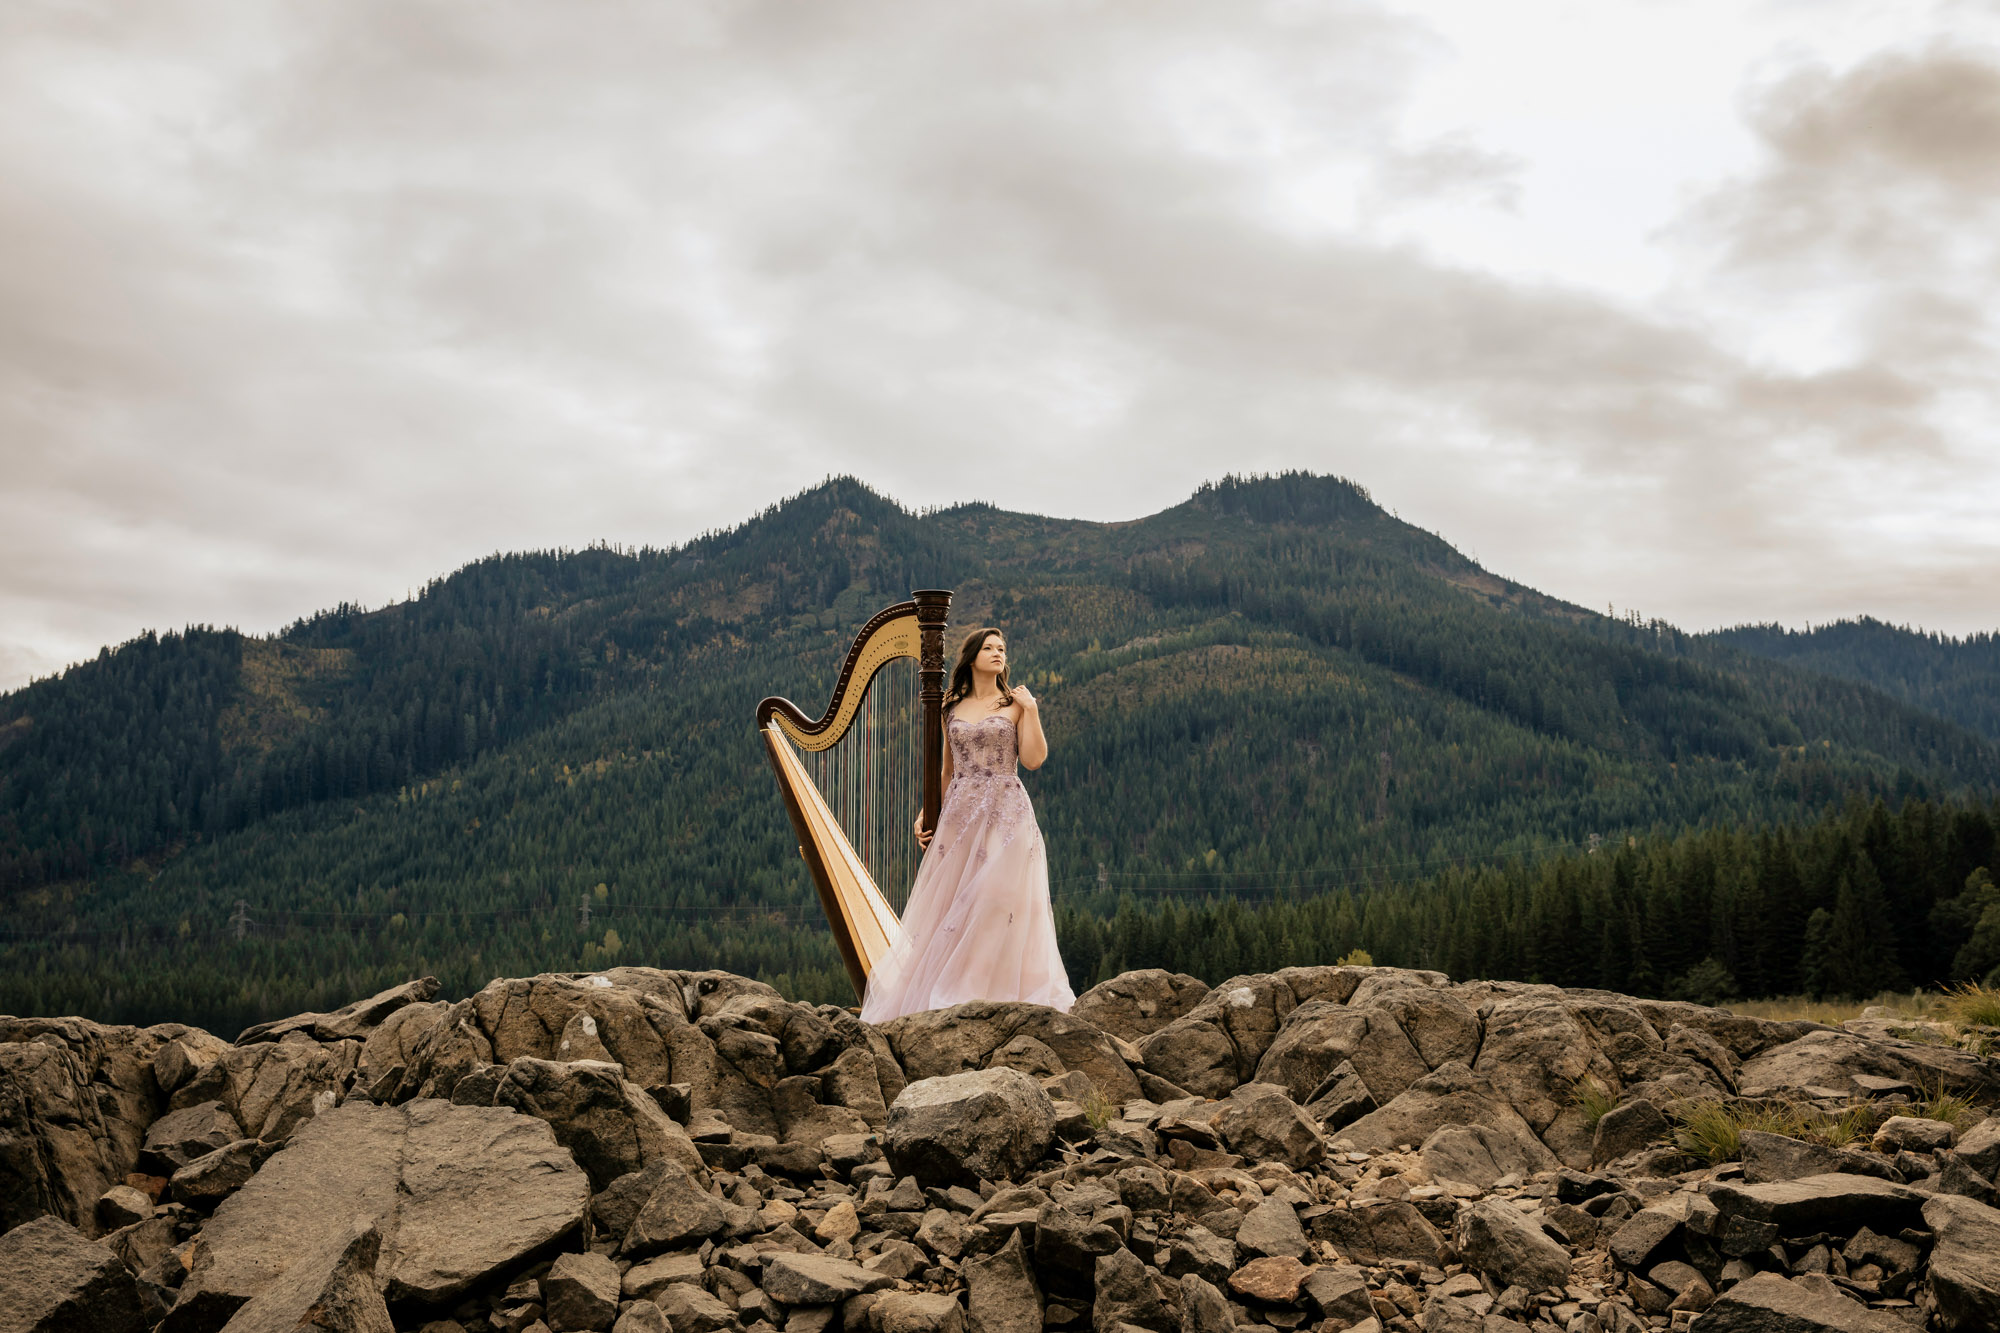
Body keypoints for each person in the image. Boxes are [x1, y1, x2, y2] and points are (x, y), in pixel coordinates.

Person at [859, 627, 1076, 1023]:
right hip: (960, 811)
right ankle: (954, 989)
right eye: (989, 647)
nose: (998, 653)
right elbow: (946, 770)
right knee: (954, 903)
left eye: (1002, 648)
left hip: (1006, 811)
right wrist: (929, 812)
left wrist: (1033, 710)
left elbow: (1033, 760)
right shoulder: (949, 707)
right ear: (972, 655)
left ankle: (990, 988)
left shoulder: (1014, 703)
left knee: (997, 897)